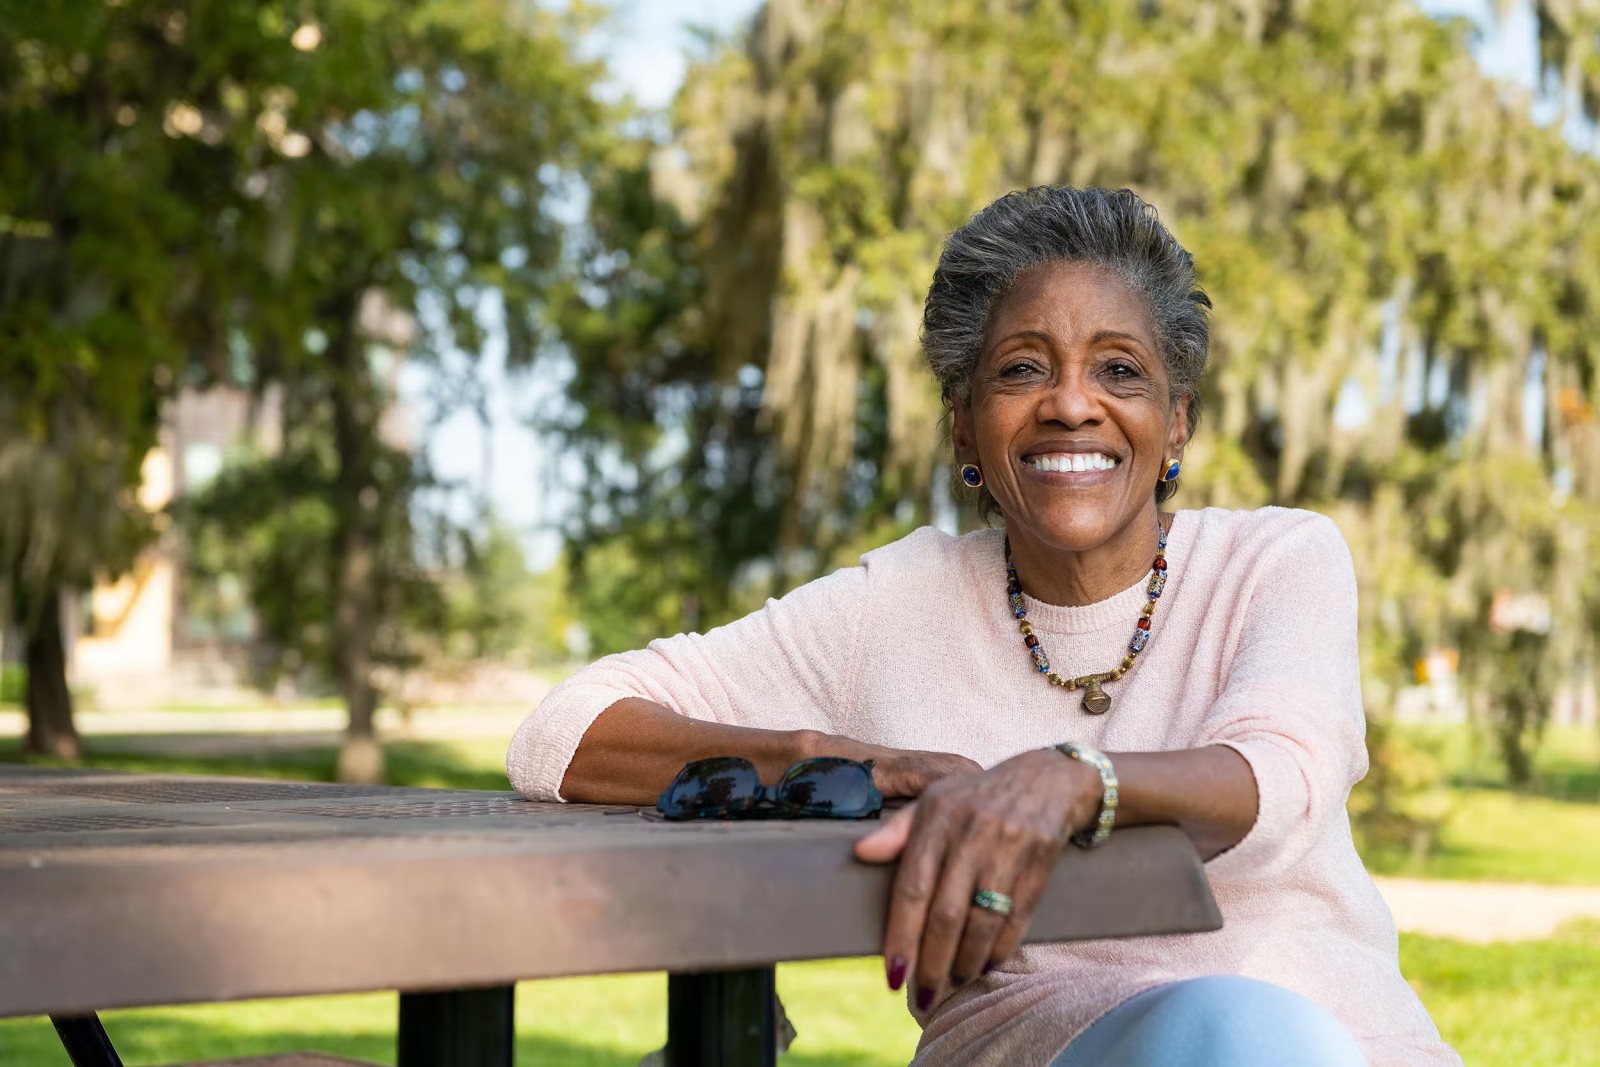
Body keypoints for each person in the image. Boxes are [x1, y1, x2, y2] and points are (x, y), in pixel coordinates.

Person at [507, 186, 1460, 1066]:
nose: (1072, 404)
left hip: (1342, 1041)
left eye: (1118, 369)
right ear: (964, 427)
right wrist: (829, 756)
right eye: (1022, 369)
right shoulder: (898, 600)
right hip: (1043, 1046)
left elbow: (1286, 770)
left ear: (1177, 424)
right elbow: (561, 734)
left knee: (1254, 1032)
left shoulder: (1278, 559)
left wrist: (1073, 782)